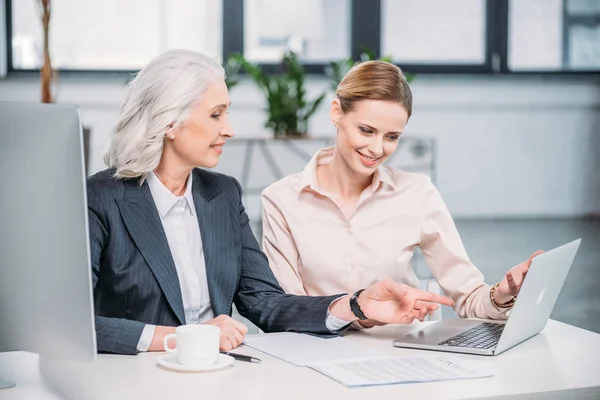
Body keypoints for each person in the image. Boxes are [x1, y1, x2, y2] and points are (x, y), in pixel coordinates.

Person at [88, 50, 454, 355]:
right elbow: (68, 323)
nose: (229, 128)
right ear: (170, 121)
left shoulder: (222, 195)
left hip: (218, 378)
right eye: (216, 114)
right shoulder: (101, 199)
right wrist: (183, 339)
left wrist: (356, 305)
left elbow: (265, 303)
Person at [261, 60, 542, 328]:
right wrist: (360, 312)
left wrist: (503, 293)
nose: (377, 148)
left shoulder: (417, 194)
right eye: (366, 130)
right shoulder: (282, 200)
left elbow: (468, 297)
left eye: (392, 136)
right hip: (314, 356)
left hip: (395, 355)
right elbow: (287, 312)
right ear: (337, 112)